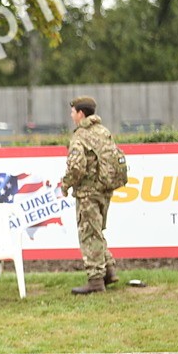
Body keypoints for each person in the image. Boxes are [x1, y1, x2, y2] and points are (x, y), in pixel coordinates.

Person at [58, 95, 119, 295]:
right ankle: (109, 270)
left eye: (73, 111)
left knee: (88, 234)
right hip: (104, 190)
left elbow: (76, 167)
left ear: (81, 114)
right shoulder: (104, 132)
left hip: (87, 193)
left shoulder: (80, 136)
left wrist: (65, 184)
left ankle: (95, 281)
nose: (71, 114)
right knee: (97, 231)